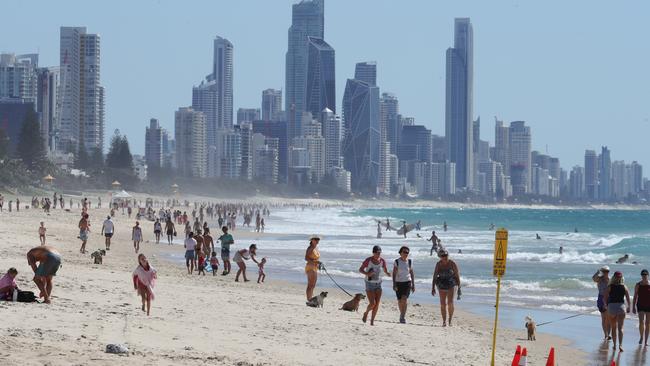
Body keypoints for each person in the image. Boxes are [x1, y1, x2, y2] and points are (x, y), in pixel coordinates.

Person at [359, 245, 390, 326]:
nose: (378, 254)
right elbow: (360, 269)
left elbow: (385, 270)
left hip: (378, 283)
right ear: (373, 253)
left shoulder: (382, 261)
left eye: (379, 253)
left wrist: (388, 274)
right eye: (377, 253)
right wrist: (367, 273)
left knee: (377, 304)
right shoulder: (368, 260)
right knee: (372, 303)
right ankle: (366, 313)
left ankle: (372, 321)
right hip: (369, 283)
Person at [603, 271, 631, 352]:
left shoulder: (610, 286)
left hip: (612, 307)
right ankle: (621, 345)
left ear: (614, 277)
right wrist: (629, 306)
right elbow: (628, 298)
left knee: (613, 327)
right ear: (621, 278)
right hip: (621, 307)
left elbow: (605, 297)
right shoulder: (624, 286)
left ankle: (614, 345)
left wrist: (605, 305)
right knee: (621, 328)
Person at [432, 249, 461, 327]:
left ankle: (450, 320)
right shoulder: (438, 264)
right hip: (441, 284)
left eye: (446, 255)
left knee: (450, 302)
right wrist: (433, 288)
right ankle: (444, 321)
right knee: (442, 304)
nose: (445, 257)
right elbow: (435, 276)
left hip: (452, 283)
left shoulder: (452, 264)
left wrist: (459, 289)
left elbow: (457, 276)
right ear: (440, 257)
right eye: (443, 256)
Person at [392, 246, 415, 324]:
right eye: (404, 252)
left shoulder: (410, 262)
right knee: (399, 301)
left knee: (404, 299)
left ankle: (402, 317)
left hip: (407, 282)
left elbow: (411, 273)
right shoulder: (397, 261)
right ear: (400, 252)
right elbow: (394, 273)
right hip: (398, 283)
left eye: (407, 252)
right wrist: (394, 284)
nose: (406, 254)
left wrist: (413, 284)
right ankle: (401, 314)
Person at [592, 265, 612, 340]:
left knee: (608, 318)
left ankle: (608, 334)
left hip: (609, 299)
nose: (606, 273)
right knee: (604, 318)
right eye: (604, 271)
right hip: (601, 298)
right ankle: (606, 335)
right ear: (602, 272)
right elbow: (593, 278)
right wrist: (597, 272)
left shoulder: (611, 280)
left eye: (607, 271)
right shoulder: (599, 279)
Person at [633, 269, 650, 346]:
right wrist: (633, 306)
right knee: (641, 322)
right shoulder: (638, 285)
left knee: (648, 323)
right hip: (640, 304)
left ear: (648, 275)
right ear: (641, 276)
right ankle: (641, 337)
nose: (644, 276)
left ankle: (646, 341)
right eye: (643, 275)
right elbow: (635, 296)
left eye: (645, 275)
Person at [304, 235, 321, 301]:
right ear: (312, 240)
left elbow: (315, 258)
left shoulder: (315, 248)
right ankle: (309, 299)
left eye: (318, 239)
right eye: (316, 239)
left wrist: (317, 263)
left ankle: (310, 299)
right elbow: (306, 258)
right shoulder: (310, 248)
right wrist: (316, 262)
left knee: (313, 285)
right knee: (310, 285)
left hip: (314, 267)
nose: (317, 241)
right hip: (310, 267)